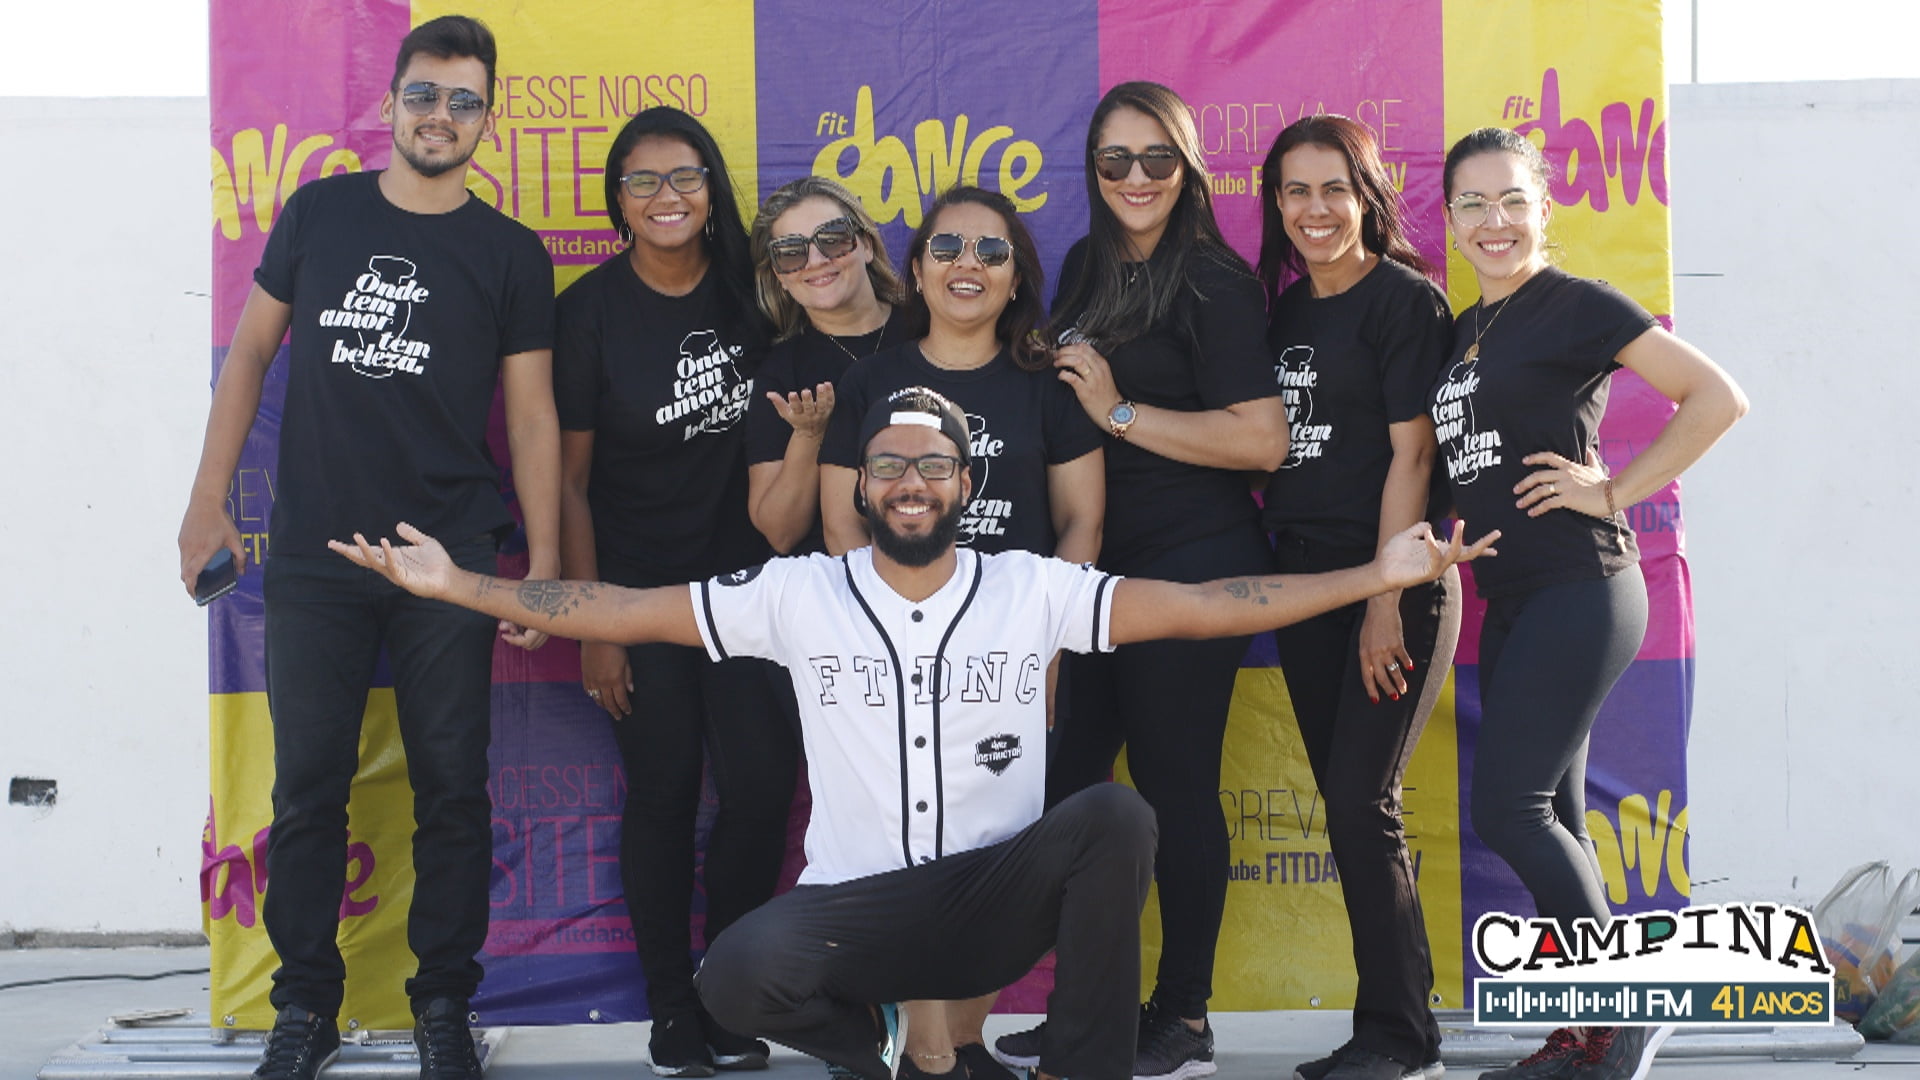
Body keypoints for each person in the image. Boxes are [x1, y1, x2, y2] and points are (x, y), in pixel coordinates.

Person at [328, 388, 1497, 1080]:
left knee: (1115, 816)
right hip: (863, 914)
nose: (909, 481)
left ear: (965, 484)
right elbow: (622, 610)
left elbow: (1207, 605)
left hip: (993, 895)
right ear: (863, 487)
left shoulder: (1031, 586)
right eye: (888, 464)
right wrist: (460, 586)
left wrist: (1372, 577)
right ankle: (896, 1055)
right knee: (733, 974)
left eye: (932, 465)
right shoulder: (800, 592)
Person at [173, 15, 559, 1080]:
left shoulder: (511, 253)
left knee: (453, 790)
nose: (441, 115)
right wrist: (206, 505)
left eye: (464, 100)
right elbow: (249, 356)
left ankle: (443, 1006)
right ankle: (305, 1008)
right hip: (317, 553)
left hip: (450, 558)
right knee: (307, 789)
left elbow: (532, 419)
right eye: (424, 94)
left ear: (487, 119)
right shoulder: (319, 213)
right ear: (389, 103)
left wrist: (543, 573)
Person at [1434, 127, 1747, 1080]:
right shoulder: (1466, 329)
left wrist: (1611, 491)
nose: (1493, 221)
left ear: (1543, 209)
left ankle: (1620, 1010)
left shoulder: (1574, 304)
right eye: (1473, 203)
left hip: (1583, 585)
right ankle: (1583, 1034)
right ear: (1450, 218)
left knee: (1510, 809)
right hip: (1514, 598)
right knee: (1557, 819)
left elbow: (1716, 398)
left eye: (1512, 200)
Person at [1009, 81, 1288, 1080]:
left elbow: (1263, 440)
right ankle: (1094, 1014)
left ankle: (1185, 1018)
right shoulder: (1087, 266)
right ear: (1092, 169)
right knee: (1068, 790)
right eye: (1115, 160)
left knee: (1172, 788)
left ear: (1189, 167)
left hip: (1194, 563)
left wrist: (1121, 413)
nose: (1137, 178)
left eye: (1158, 158)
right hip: (1094, 571)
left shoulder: (1213, 281)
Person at [814, 185, 1105, 1080]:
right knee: (902, 852)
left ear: (1017, 277)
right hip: (892, 658)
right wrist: (886, 634)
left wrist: (1047, 650)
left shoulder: (1045, 387)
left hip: (1009, 665)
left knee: (995, 851)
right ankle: (919, 1047)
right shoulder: (870, 383)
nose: (967, 266)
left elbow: (1082, 523)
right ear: (915, 270)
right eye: (946, 249)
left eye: (991, 251)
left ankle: (967, 1042)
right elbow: (841, 524)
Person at [552, 107, 796, 1077]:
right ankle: (669, 1009)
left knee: (762, 791)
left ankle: (725, 997)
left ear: (712, 190)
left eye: (686, 176)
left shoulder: (754, 295)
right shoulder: (587, 312)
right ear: (617, 201)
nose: (667, 197)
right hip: (637, 594)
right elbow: (570, 480)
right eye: (643, 181)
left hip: (752, 596)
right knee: (662, 794)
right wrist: (594, 625)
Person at [1253, 116, 1456, 1080]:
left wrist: (1385, 598)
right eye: (1296, 191)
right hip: (1306, 582)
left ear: (1367, 196)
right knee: (1350, 808)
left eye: (1334, 188)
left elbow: (1413, 456)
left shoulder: (1404, 302)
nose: (1316, 209)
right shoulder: (1286, 312)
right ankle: (1390, 1025)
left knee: (1359, 800)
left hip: (1392, 585)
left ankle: (1402, 1038)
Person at [745, 175, 910, 557]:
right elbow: (780, 533)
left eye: (832, 239)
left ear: (866, 245)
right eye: (791, 252)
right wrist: (809, 435)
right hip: (832, 578)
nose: (816, 261)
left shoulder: (931, 327)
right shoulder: (780, 373)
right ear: (779, 277)